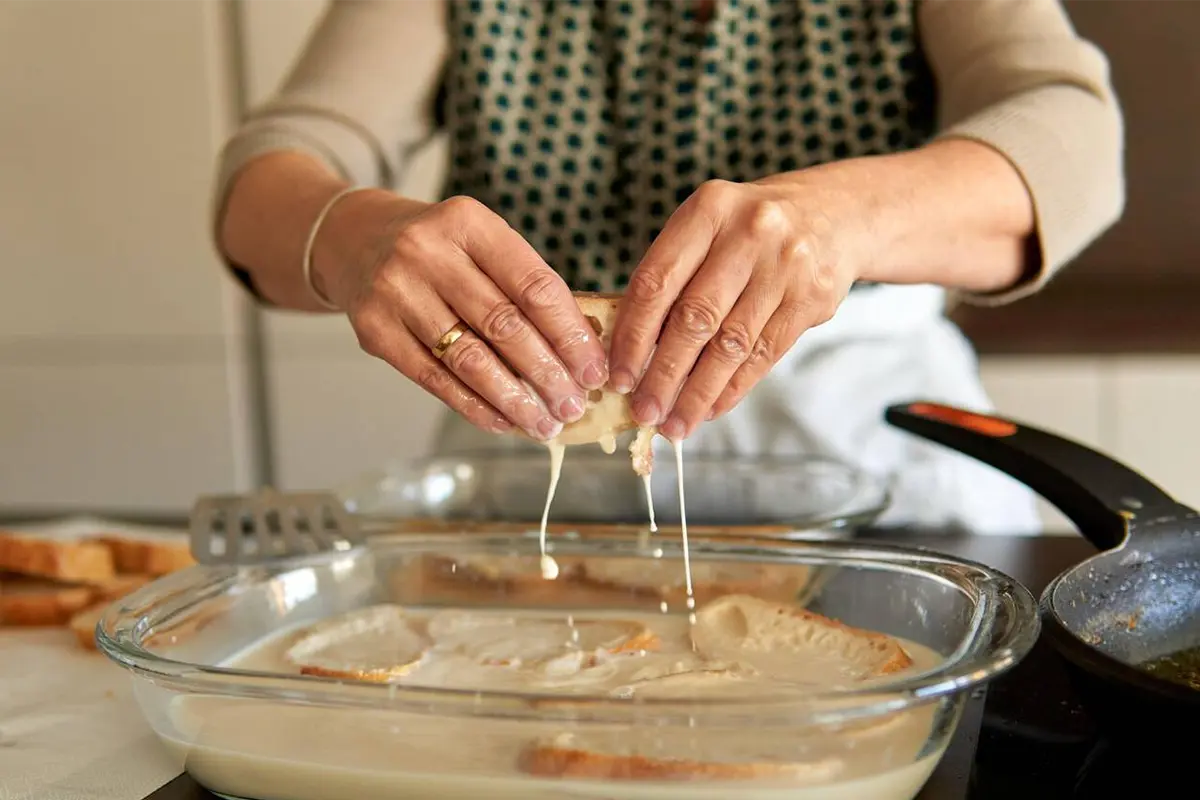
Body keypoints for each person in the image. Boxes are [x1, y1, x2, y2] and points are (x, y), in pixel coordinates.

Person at [212, 0, 1124, 535]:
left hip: (875, 477)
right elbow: (275, 168)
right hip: (534, 487)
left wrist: (845, 217)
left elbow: (1071, 139)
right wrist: (351, 235)